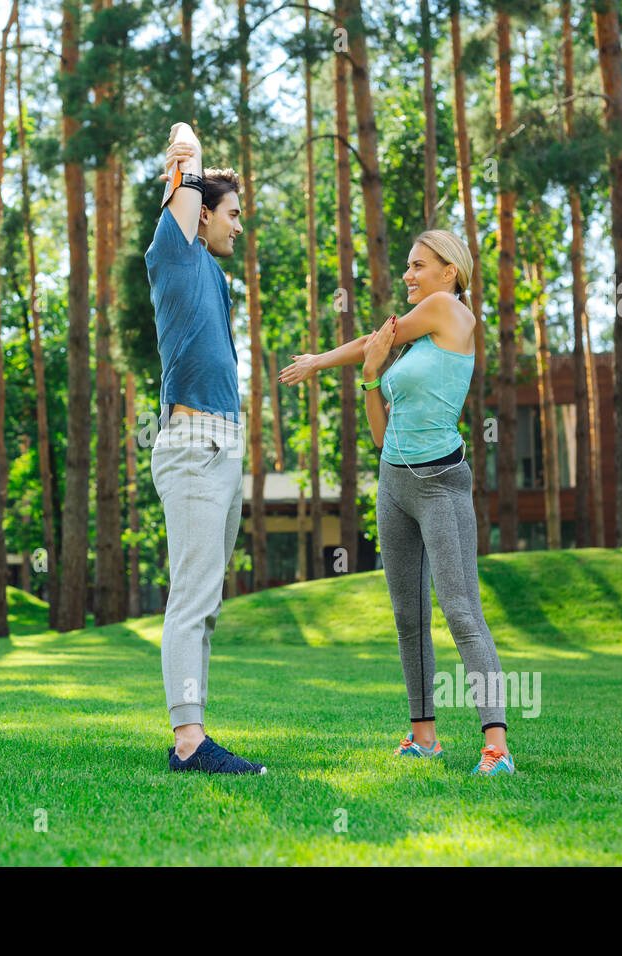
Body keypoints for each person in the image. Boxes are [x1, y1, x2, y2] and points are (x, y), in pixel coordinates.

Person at [279, 230, 515, 776]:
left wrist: (317, 361)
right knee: (408, 616)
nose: (407, 276)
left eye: (418, 266)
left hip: (440, 483)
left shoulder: (448, 311)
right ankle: (423, 737)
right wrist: (367, 380)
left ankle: (497, 746)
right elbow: (382, 438)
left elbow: (376, 337)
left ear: (449, 271)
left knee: (461, 613)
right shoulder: (422, 334)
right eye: (408, 267)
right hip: (394, 483)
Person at [145, 122, 265, 775]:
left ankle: (195, 730)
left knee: (207, 599)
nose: (238, 225)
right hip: (193, 443)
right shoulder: (173, 251)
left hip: (223, 442)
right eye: (233, 213)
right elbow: (185, 150)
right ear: (198, 213)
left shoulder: (212, 276)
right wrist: (185, 161)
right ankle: (189, 742)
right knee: (192, 596)